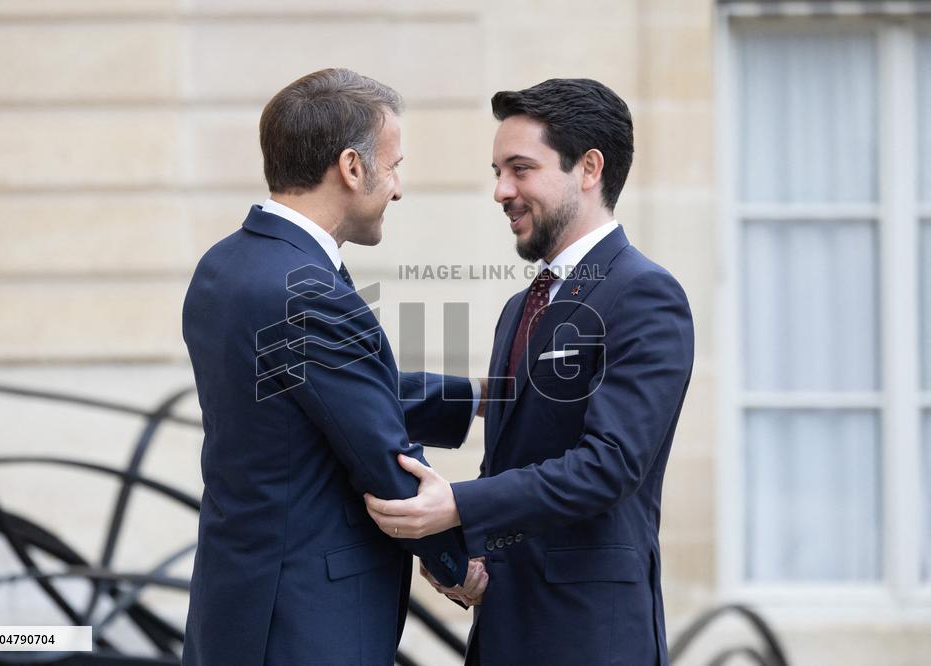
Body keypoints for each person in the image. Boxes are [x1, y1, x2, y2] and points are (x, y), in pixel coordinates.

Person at [364, 78, 695, 665]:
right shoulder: (521, 307)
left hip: (591, 638)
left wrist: (456, 506)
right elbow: (516, 458)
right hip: (503, 631)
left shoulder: (645, 294)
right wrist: (465, 554)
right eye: (497, 170)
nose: (500, 190)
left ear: (588, 168)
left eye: (520, 169)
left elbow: (608, 466)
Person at [181, 68, 487, 666]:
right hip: (305, 622)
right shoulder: (306, 290)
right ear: (351, 167)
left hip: (237, 604)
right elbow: (377, 449)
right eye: (393, 165)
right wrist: (456, 561)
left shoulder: (224, 265)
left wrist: (480, 396)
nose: (397, 188)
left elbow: (328, 390)